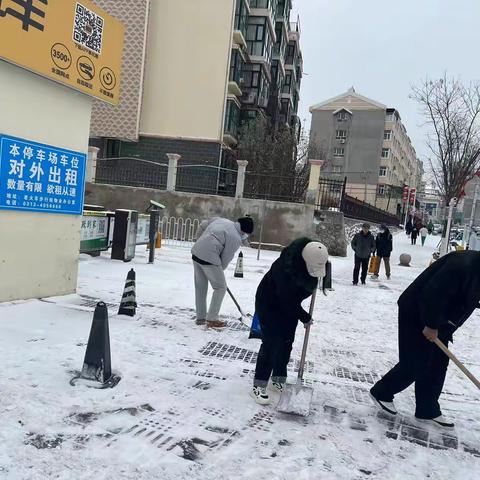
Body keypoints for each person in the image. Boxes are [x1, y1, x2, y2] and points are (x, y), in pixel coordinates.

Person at [370, 251, 480, 428]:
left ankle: (427, 410)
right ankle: (382, 392)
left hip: (442, 319)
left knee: (437, 363)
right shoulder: (462, 265)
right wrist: (431, 324)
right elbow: (433, 293)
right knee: (417, 361)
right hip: (417, 310)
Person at [251, 238, 329, 404]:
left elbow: (323, 272)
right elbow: (287, 301)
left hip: (289, 306)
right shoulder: (284, 268)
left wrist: (323, 282)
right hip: (270, 304)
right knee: (272, 343)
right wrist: (305, 317)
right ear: (304, 260)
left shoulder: (316, 255)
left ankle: (278, 379)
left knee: (286, 341)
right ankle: (259, 385)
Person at [191, 216, 254, 328]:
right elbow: (226, 258)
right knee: (220, 288)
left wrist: (199, 240)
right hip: (209, 257)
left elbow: (203, 224)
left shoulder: (222, 220)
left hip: (196, 253)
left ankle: (200, 318)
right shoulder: (235, 238)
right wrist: (220, 270)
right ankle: (212, 319)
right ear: (244, 231)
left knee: (200, 287)